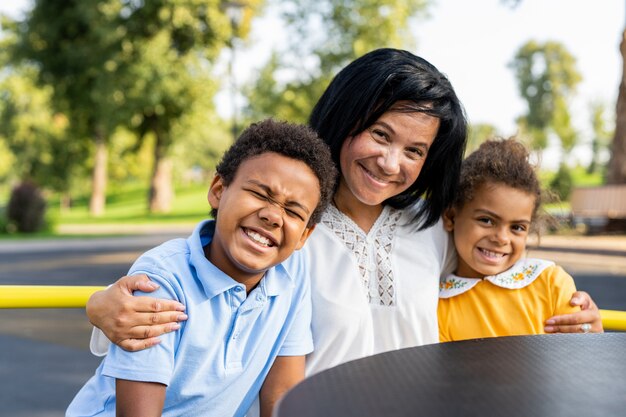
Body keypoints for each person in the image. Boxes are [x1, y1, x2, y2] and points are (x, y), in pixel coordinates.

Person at [84, 49, 603, 379]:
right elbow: (196, 280)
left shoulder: (432, 230)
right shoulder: (287, 224)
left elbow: (503, 272)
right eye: (380, 134)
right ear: (344, 116)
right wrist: (99, 310)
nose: (391, 162)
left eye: (415, 151)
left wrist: (575, 313)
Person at [66, 119, 337, 417]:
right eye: (260, 194)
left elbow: (282, 395)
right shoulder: (162, 279)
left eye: (293, 211)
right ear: (218, 190)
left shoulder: (292, 273)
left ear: (304, 236)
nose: (273, 216)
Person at [438, 138, 584, 342]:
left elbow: (578, 356)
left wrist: (591, 334)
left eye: (517, 227)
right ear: (451, 216)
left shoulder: (551, 283)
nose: (501, 238)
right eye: (486, 220)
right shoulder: (437, 305)